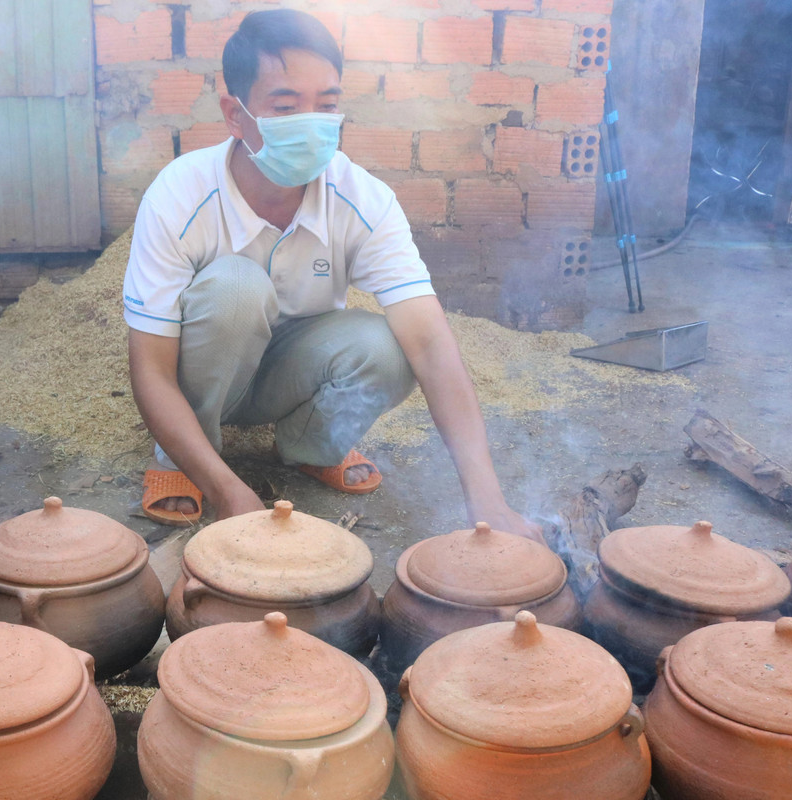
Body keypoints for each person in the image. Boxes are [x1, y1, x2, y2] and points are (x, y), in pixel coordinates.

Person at [122, 8, 542, 541]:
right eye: (285, 105)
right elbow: (151, 371)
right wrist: (234, 495)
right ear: (234, 114)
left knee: (391, 345)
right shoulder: (178, 196)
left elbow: (431, 344)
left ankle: (309, 445)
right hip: (203, 374)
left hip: (289, 373)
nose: (313, 122)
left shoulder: (363, 199)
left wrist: (487, 501)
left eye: (328, 104)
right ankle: (186, 459)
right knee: (235, 288)